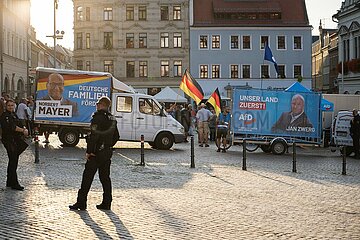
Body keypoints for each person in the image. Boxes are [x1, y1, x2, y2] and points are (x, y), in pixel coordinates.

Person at [69, 96, 119, 211]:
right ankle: (107, 202)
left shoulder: (98, 118)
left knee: (87, 177)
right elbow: (116, 136)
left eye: (98, 104)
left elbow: (94, 136)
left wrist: (90, 151)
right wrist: (108, 145)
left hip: (96, 153)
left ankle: (81, 202)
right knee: (105, 178)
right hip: (107, 152)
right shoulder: (112, 118)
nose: (96, 105)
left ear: (102, 105)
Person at [0, 99, 29, 190]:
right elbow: (12, 127)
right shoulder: (5, 116)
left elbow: (19, 123)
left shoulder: (14, 114)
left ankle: (10, 181)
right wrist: (23, 130)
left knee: (13, 160)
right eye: (9, 105)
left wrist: (24, 128)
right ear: (6, 106)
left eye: (12, 105)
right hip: (9, 140)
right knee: (13, 160)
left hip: (15, 140)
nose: (11, 107)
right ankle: (14, 183)